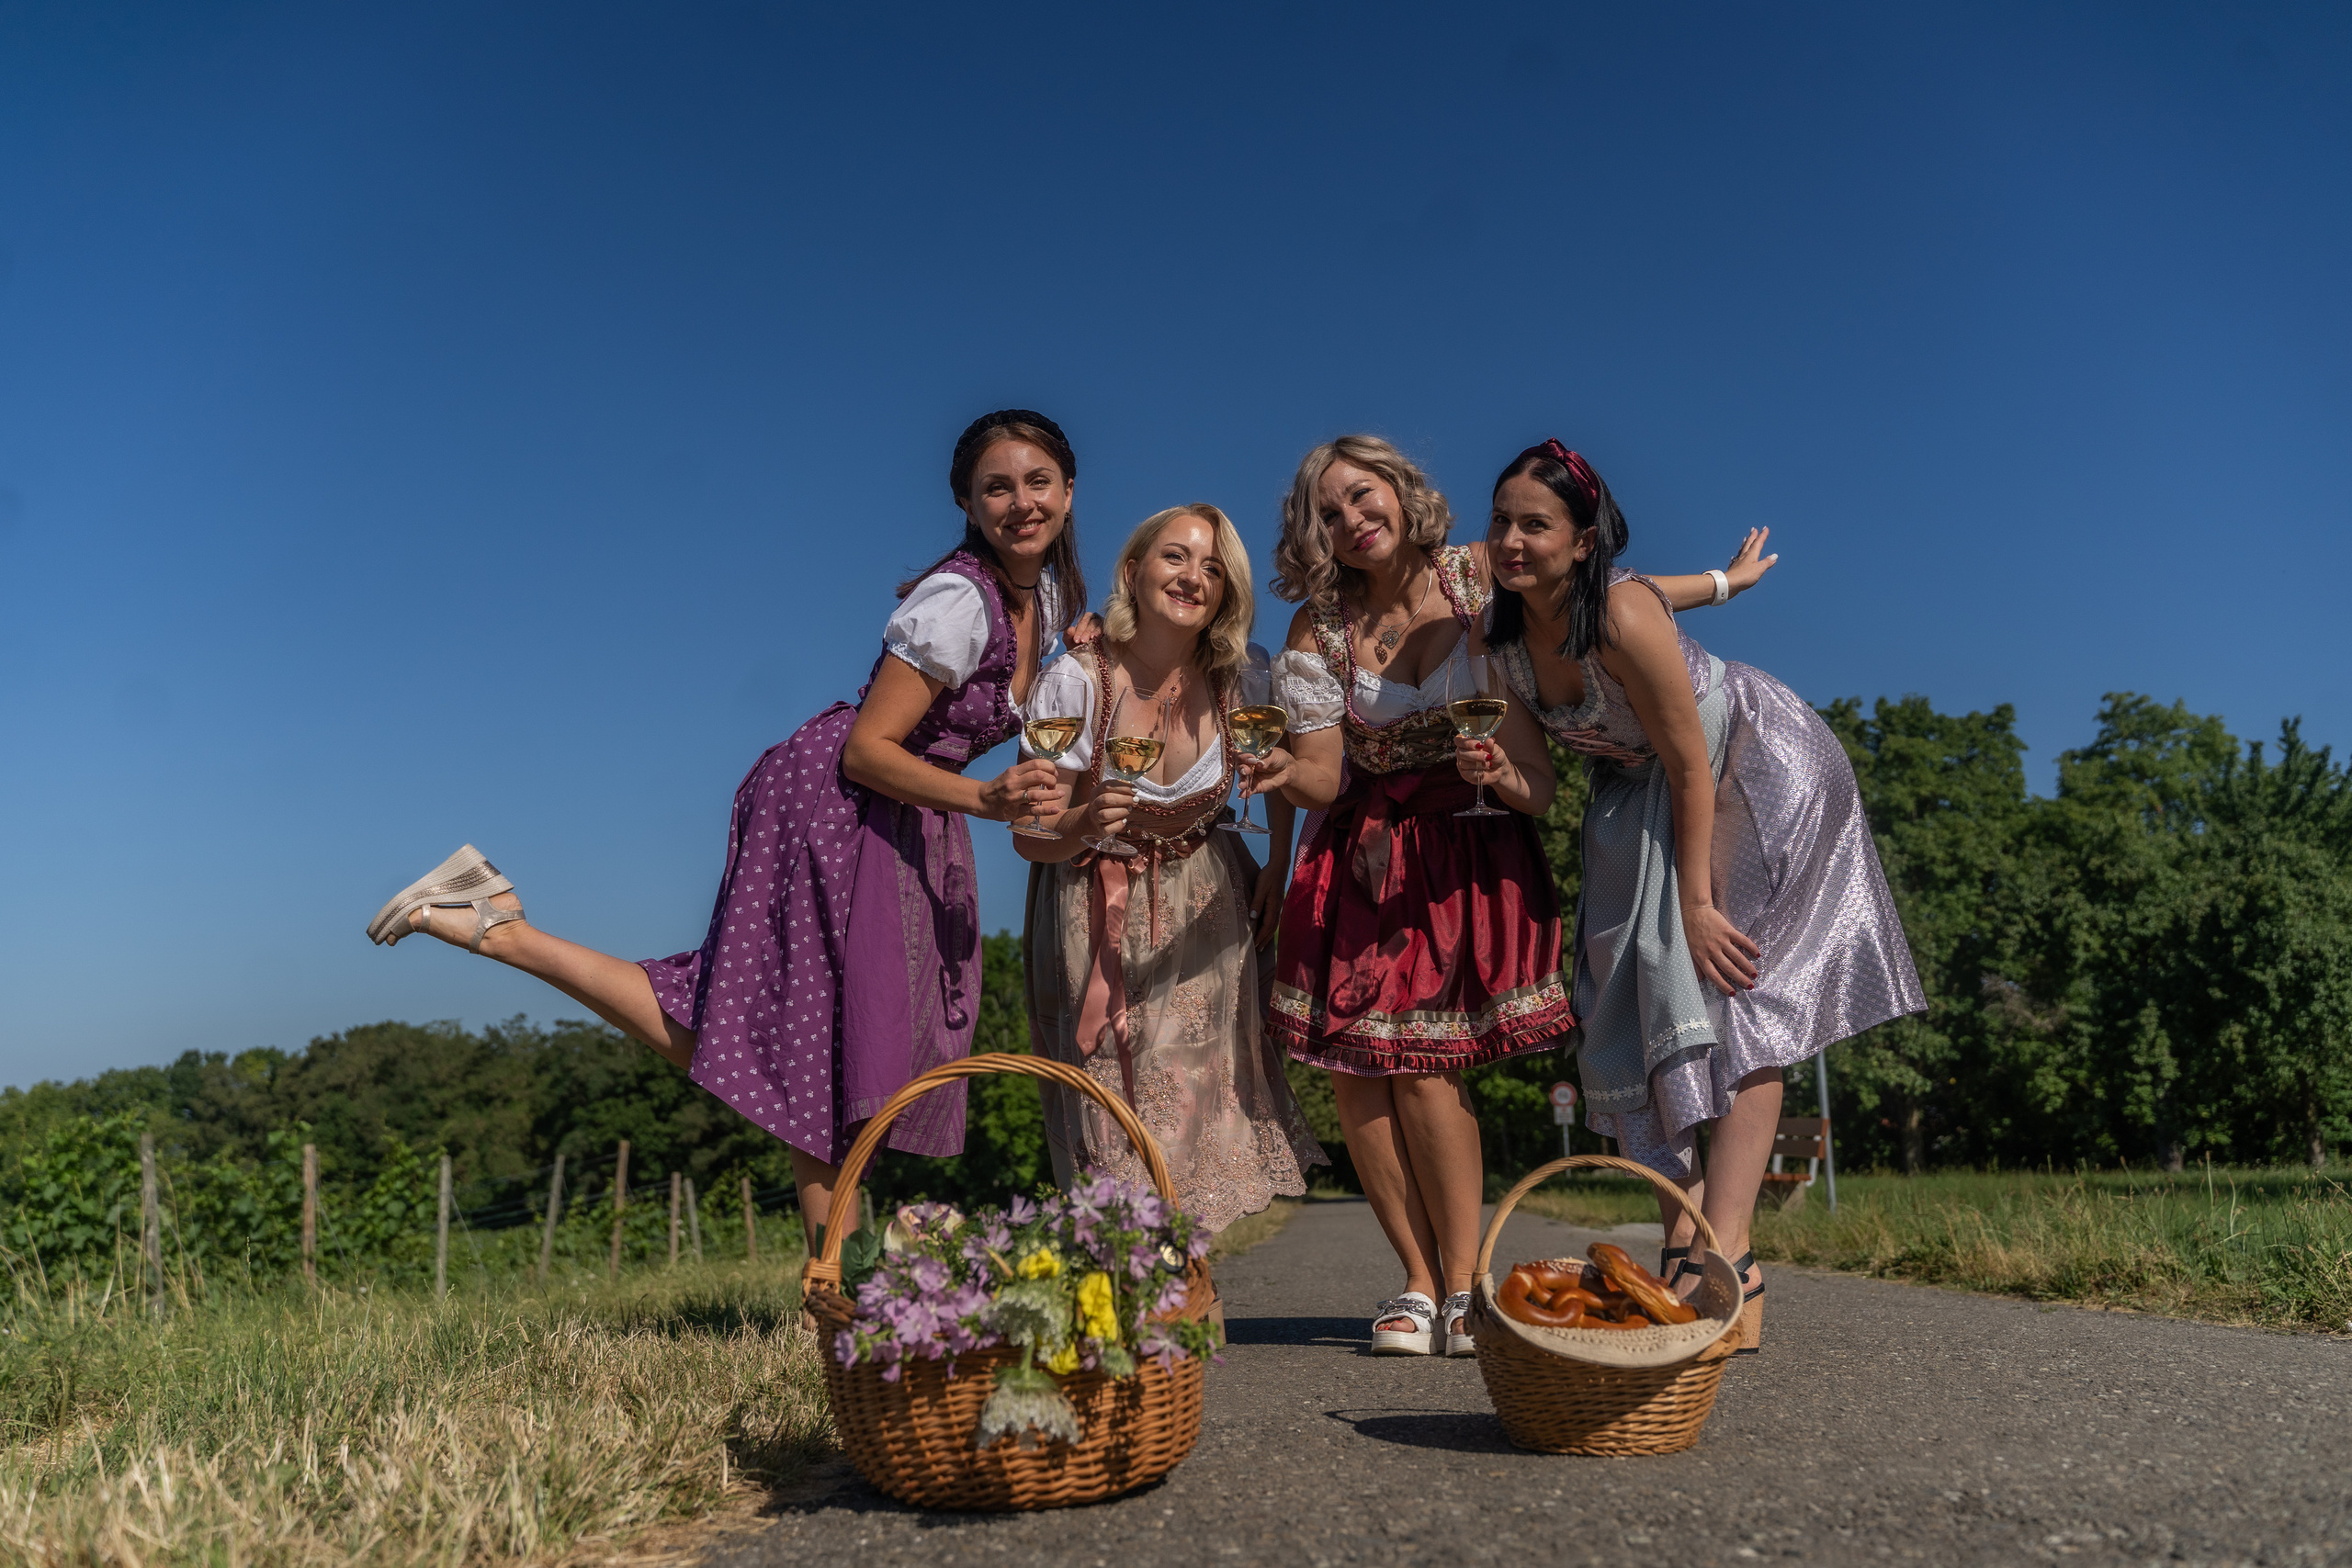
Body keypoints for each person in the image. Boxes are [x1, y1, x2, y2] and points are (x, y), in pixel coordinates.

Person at [363, 409, 1089, 1246]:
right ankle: (838, 1285)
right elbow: (866, 750)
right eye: (998, 486)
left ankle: (501, 926)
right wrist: (984, 802)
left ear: (1069, 492)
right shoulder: (960, 599)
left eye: (1038, 482)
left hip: (905, 815)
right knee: (825, 1040)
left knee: (800, 1028)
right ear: (968, 501)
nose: (1021, 502)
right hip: (842, 802)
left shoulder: (1049, 597)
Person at [1480, 438, 1925, 1352]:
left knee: (1732, 989)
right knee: (1627, 1002)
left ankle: (1730, 1256)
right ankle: (1681, 1237)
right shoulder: (1505, 645)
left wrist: (1695, 904)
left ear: (1581, 538)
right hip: (1633, 796)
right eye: (1502, 522)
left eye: (1536, 524)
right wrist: (1725, 581)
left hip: (1748, 769)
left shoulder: (1617, 615)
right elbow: (1545, 780)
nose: (1513, 541)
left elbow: (1691, 759)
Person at [1264, 435, 1570, 1358]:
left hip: (1466, 843)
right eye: (1328, 512)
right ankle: (1415, 1281)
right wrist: (1269, 766)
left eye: (1363, 495)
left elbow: (1543, 776)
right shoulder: (1314, 629)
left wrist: (1719, 582)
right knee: (1358, 1079)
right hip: (1360, 851)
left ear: (1400, 491)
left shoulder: (1477, 578)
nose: (1352, 520)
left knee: (1430, 1071)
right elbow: (1319, 779)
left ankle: (1471, 1283)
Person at [1016, 505, 1328, 1232]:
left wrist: (1277, 864)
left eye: (1214, 567)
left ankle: (1181, 1274)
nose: (1194, 576)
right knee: (1112, 1111)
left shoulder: (1242, 678)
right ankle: (1135, 1278)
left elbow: (1277, 777)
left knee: (1192, 1100)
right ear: (1134, 570)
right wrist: (1081, 823)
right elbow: (1030, 832)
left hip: (1207, 902)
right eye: (1176, 557)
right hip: (1093, 902)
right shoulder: (1075, 680)